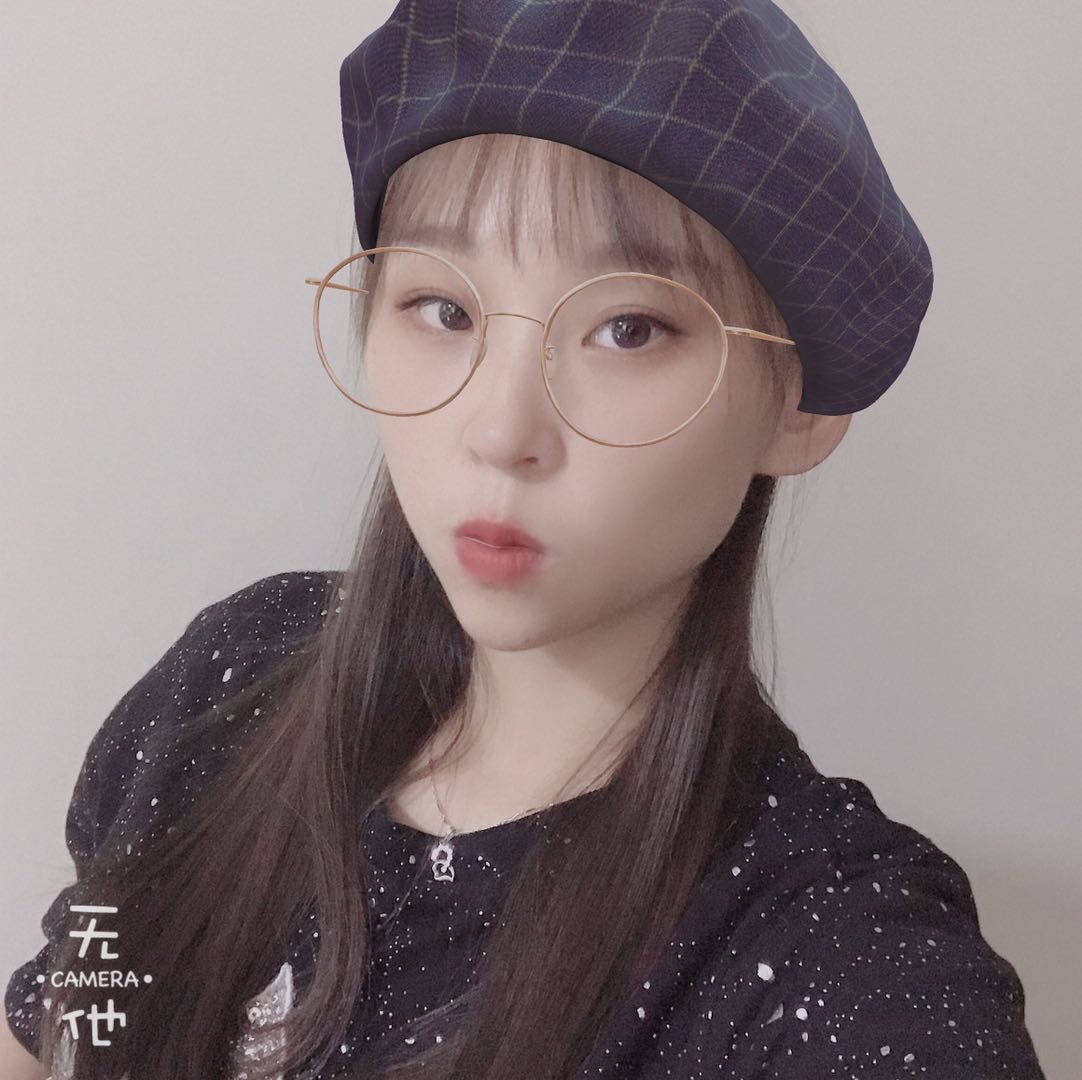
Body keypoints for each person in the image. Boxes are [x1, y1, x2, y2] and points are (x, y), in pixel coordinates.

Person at [2, 1, 1046, 1078]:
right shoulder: (232, 681)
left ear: (799, 405)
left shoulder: (836, 961)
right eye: (443, 309)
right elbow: (66, 1033)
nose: (499, 431)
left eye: (627, 328)